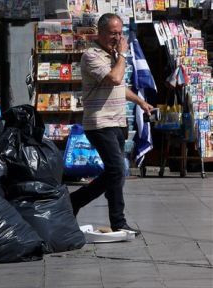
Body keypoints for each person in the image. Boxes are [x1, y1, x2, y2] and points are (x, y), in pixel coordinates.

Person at [69, 13, 153, 235]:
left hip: (118, 121)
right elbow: (114, 78)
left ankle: (80, 204)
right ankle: (112, 218)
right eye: (112, 33)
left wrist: (140, 101)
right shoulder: (91, 56)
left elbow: (118, 87)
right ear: (100, 32)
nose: (116, 38)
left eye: (119, 33)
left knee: (114, 173)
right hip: (100, 123)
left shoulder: (115, 56)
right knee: (117, 170)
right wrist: (123, 55)